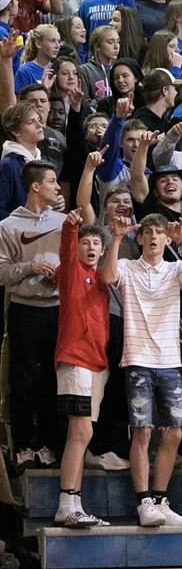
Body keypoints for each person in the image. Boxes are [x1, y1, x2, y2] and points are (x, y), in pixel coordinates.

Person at [102, 213, 182, 526]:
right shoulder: (128, 267)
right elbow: (106, 277)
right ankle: (143, 502)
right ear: (141, 238)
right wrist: (117, 238)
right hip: (137, 359)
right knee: (142, 430)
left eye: (161, 233)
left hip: (170, 361)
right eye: (149, 233)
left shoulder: (175, 269)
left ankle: (160, 500)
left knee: (173, 431)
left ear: (167, 238)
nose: (155, 237)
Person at [0, 161, 65, 470]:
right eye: (52, 181)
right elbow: (1, 273)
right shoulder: (8, 226)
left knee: (52, 380)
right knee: (22, 380)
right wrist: (31, 267)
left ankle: (49, 445)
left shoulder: (65, 222)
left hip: (56, 310)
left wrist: (60, 275)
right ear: (35, 186)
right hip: (24, 310)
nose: (57, 186)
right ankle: (24, 446)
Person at [53, 210, 110, 528]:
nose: (90, 248)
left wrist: (115, 239)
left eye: (95, 243)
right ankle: (66, 503)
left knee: (84, 434)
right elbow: (66, 246)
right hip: (75, 361)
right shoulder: (71, 271)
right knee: (80, 431)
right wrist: (70, 227)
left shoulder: (102, 280)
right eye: (85, 242)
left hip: (98, 364)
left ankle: (74, 504)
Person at [14, 23, 60, 92]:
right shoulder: (25, 71)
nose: (57, 46)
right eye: (52, 41)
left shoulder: (57, 68)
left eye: (59, 41)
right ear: (38, 44)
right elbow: (20, 101)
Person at [79, 25, 120, 101]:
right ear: (97, 46)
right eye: (110, 42)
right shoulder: (85, 70)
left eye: (118, 42)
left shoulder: (119, 69)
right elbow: (84, 102)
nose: (116, 46)